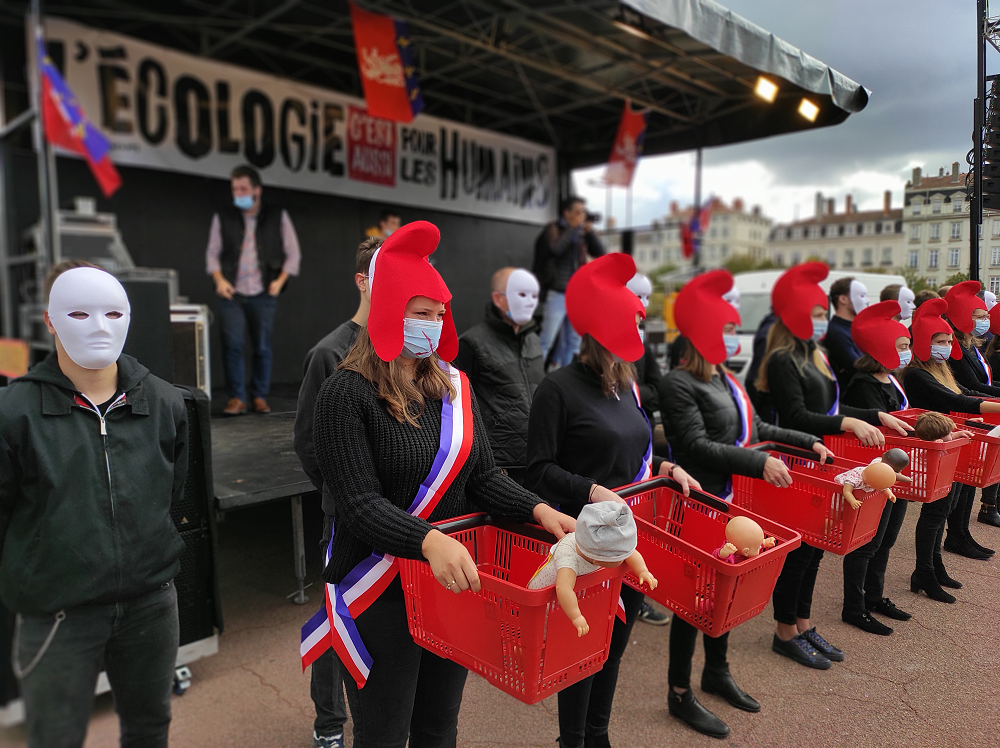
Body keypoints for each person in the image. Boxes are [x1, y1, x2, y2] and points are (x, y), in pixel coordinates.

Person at [309, 221, 574, 748]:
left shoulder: (452, 384)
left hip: (446, 583)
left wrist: (539, 510)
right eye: (419, 314)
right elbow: (358, 505)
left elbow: (482, 476)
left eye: (437, 315)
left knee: (438, 725)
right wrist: (428, 540)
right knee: (383, 731)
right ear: (387, 311)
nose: (431, 326)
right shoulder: (344, 393)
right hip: (379, 587)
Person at [0, 263, 187, 748]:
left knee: (150, 728)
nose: (100, 328)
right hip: (58, 613)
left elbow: (172, 492)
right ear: (51, 320)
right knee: (55, 737)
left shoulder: (165, 403)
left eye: (114, 313)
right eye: (80, 313)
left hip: (150, 604)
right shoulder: (13, 413)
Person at [526, 253, 699, 748]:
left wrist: (665, 468)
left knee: (614, 648)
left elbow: (633, 450)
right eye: (635, 321)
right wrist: (589, 490)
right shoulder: (556, 389)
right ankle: (573, 740)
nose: (642, 331)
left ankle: (597, 736)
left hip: (629, 540)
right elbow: (536, 469)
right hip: (585, 548)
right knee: (580, 652)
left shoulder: (628, 384)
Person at [659, 269, 829, 738]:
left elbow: (761, 431)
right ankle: (679, 693)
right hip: (698, 503)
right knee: (692, 601)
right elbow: (693, 446)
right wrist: (757, 464)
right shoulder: (679, 383)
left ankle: (716, 672)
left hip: (733, 504)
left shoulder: (727, 380)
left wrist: (808, 440)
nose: (735, 339)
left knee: (724, 592)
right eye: (728, 330)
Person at [753, 262, 908, 670]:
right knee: (800, 550)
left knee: (816, 548)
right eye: (816, 315)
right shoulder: (785, 358)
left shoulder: (814, 354)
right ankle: (784, 630)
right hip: (800, 458)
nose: (822, 322)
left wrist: (872, 416)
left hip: (822, 458)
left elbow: (832, 407)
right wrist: (848, 422)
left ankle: (803, 622)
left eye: (824, 314)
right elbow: (796, 417)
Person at [293, 237, 381, 748]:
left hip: (401, 517)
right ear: (362, 281)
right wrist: (346, 496)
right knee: (336, 618)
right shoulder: (330, 353)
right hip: (347, 519)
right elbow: (309, 441)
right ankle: (329, 725)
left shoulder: (409, 351)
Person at [900, 298, 1000, 603]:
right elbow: (957, 401)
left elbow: (963, 391)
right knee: (934, 512)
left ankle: (934, 566)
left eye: (947, 340)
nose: (945, 347)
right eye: (940, 341)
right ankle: (924, 570)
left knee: (945, 507)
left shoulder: (941, 367)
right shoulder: (918, 374)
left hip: (951, 443)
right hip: (934, 447)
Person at [840, 300, 917, 635]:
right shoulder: (864, 383)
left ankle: (875, 596)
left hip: (892, 472)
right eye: (902, 346)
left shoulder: (890, 379)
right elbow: (879, 435)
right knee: (866, 542)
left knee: (885, 540)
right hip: (872, 474)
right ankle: (854, 607)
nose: (907, 352)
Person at [206, 164, 301, 415]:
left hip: (263, 292)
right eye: (235, 188)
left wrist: (279, 282)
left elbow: (293, 254)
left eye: (243, 188)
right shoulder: (223, 216)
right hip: (232, 292)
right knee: (233, 344)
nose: (238, 193)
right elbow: (212, 253)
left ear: (256, 190)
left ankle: (259, 395)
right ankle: (237, 397)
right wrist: (219, 280)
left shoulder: (277, 215)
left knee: (261, 346)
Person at [454, 267, 544, 486]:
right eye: (522, 294)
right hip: (498, 467)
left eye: (534, 296)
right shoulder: (471, 344)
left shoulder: (532, 340)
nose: (530, 302)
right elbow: (458, 408)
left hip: (537, 460)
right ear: (498, 298)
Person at [940, 281, 998, 558]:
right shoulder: (956, 349)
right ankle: (956, 534)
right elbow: (971, 386)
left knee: (969, 480)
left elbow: (982, 382)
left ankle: (962, 532)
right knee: (961, 480)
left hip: (973, 414)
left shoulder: (970, 345)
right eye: (979, 316)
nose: (985, 320)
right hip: (961, 417)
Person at [533, 196, 606, 368]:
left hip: (578, 294)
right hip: (558, 291)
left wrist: (589, 233)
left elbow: (600, 252)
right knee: (547, 339)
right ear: (567, 213)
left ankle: (565, 380)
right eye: (578, 212)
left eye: (584, 212)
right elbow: (555, 248)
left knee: (573, 342)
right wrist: (573, 228)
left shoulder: (580, 233)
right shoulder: (553, 228)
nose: (582, 216)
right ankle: (533, 380)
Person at [824, 276, 869, 390]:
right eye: (861, 296)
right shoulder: (836, 332)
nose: (866, 301)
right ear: (843, 299)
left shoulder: (857, 329)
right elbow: (858, 368)